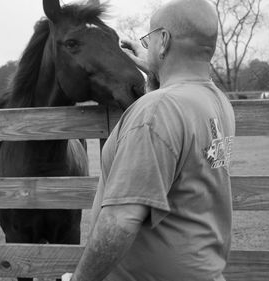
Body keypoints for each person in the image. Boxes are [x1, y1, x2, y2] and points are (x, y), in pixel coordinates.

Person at [64, 0, 236, 280]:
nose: (147, 46)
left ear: (164, 41)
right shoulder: (215, 101)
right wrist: (156, 75)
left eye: (150, 39)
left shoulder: (157, 112)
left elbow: (119, 222)